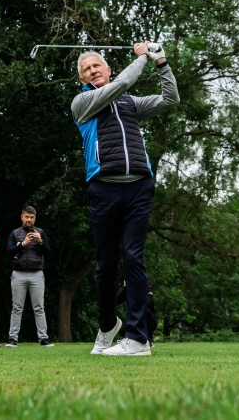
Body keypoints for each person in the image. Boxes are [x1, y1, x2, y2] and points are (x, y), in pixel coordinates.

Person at [71, 42, 179, 356]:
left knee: (134, 257)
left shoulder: (131, 103)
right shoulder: (84, 102)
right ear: (83, 80)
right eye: (86, 69)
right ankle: (107, 326)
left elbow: (171, 98)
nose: (92, 70)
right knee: (105, 265)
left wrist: (161, 61)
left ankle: (138, 338)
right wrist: (143, 56)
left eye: (97, 65)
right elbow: (124, 83)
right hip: (103, 188)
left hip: (138, 187)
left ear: (108, 69)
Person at [5, 206, 53, 348]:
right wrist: (23, 244)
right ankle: (12, 338)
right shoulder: (15, 233)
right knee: (17, 307)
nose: (29, 220)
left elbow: (49, 253)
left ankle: (43, 339)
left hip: (37, 273)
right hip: (18, 273)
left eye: (31, 217)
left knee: (39, 307)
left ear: (35, 218)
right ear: (22, 217)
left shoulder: (41, 233)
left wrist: (40, 242)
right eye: (27, 217)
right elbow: (8, 252)